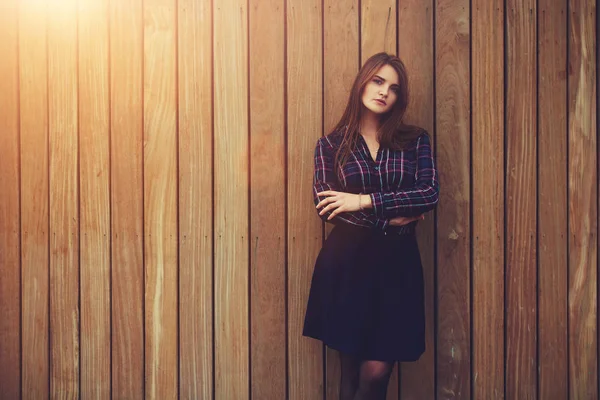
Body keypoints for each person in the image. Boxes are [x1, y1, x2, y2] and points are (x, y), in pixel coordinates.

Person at [302, 52, 439, 400]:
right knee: (350, 371)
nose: (384, 92)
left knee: (376, 373)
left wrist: (364, 200)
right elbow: (329, 208)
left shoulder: (414, 140)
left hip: (398, 265)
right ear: (362, 82)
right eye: (378, 81)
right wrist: (397, 208)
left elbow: (429, 193)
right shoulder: (330, 146)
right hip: (348, 262)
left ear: (399, 98)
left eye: (393, 88)